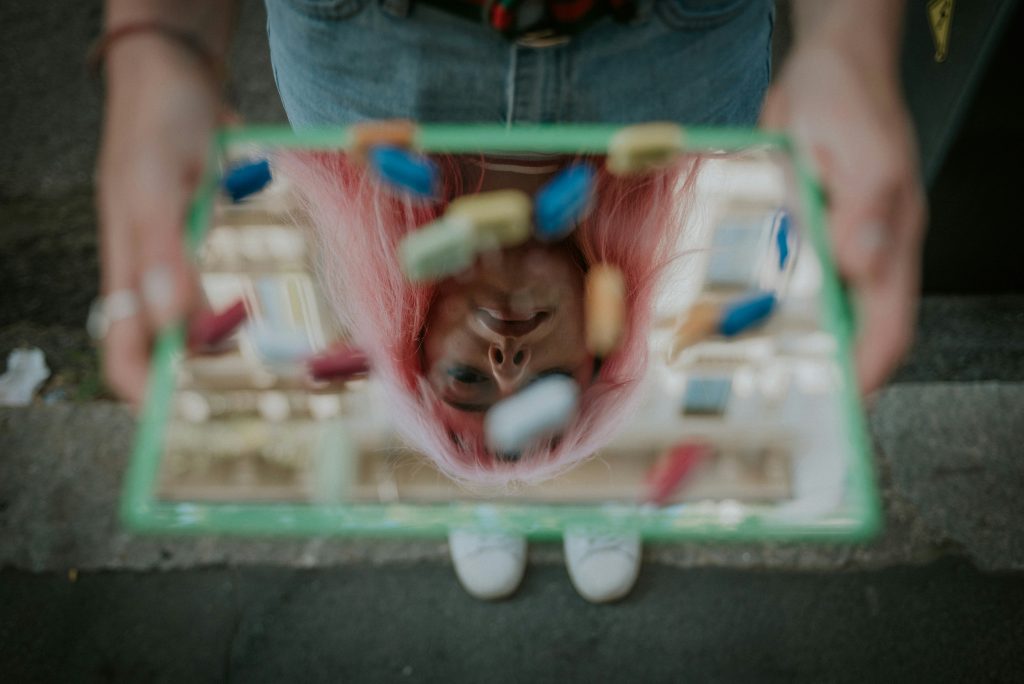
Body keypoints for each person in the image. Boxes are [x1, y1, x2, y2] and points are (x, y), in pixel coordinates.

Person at [93, 0, 927, 602]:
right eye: (543, 397)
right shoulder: (690, 156)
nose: (507, 363)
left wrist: (848, 40)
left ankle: (532, 480)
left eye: (467, 386)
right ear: (605, 350)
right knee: (526, 455)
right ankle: (539, 482)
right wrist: (159, 41)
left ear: (410, 334)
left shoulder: (361, 167)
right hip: (666, 50)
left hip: (379, 43)